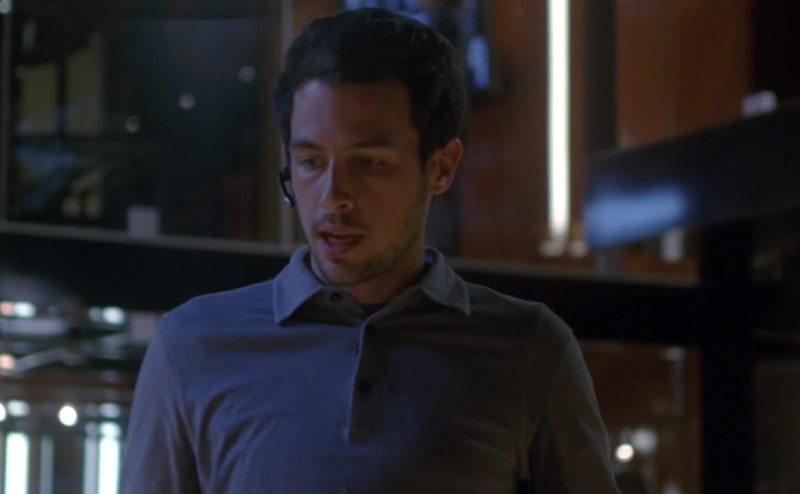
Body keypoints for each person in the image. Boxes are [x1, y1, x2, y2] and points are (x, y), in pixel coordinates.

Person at [122, 8, 619, 493]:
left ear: (441, 167)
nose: (332, 197)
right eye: (311, 161)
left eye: (369, 163)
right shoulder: (193, 347)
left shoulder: (530, 351)